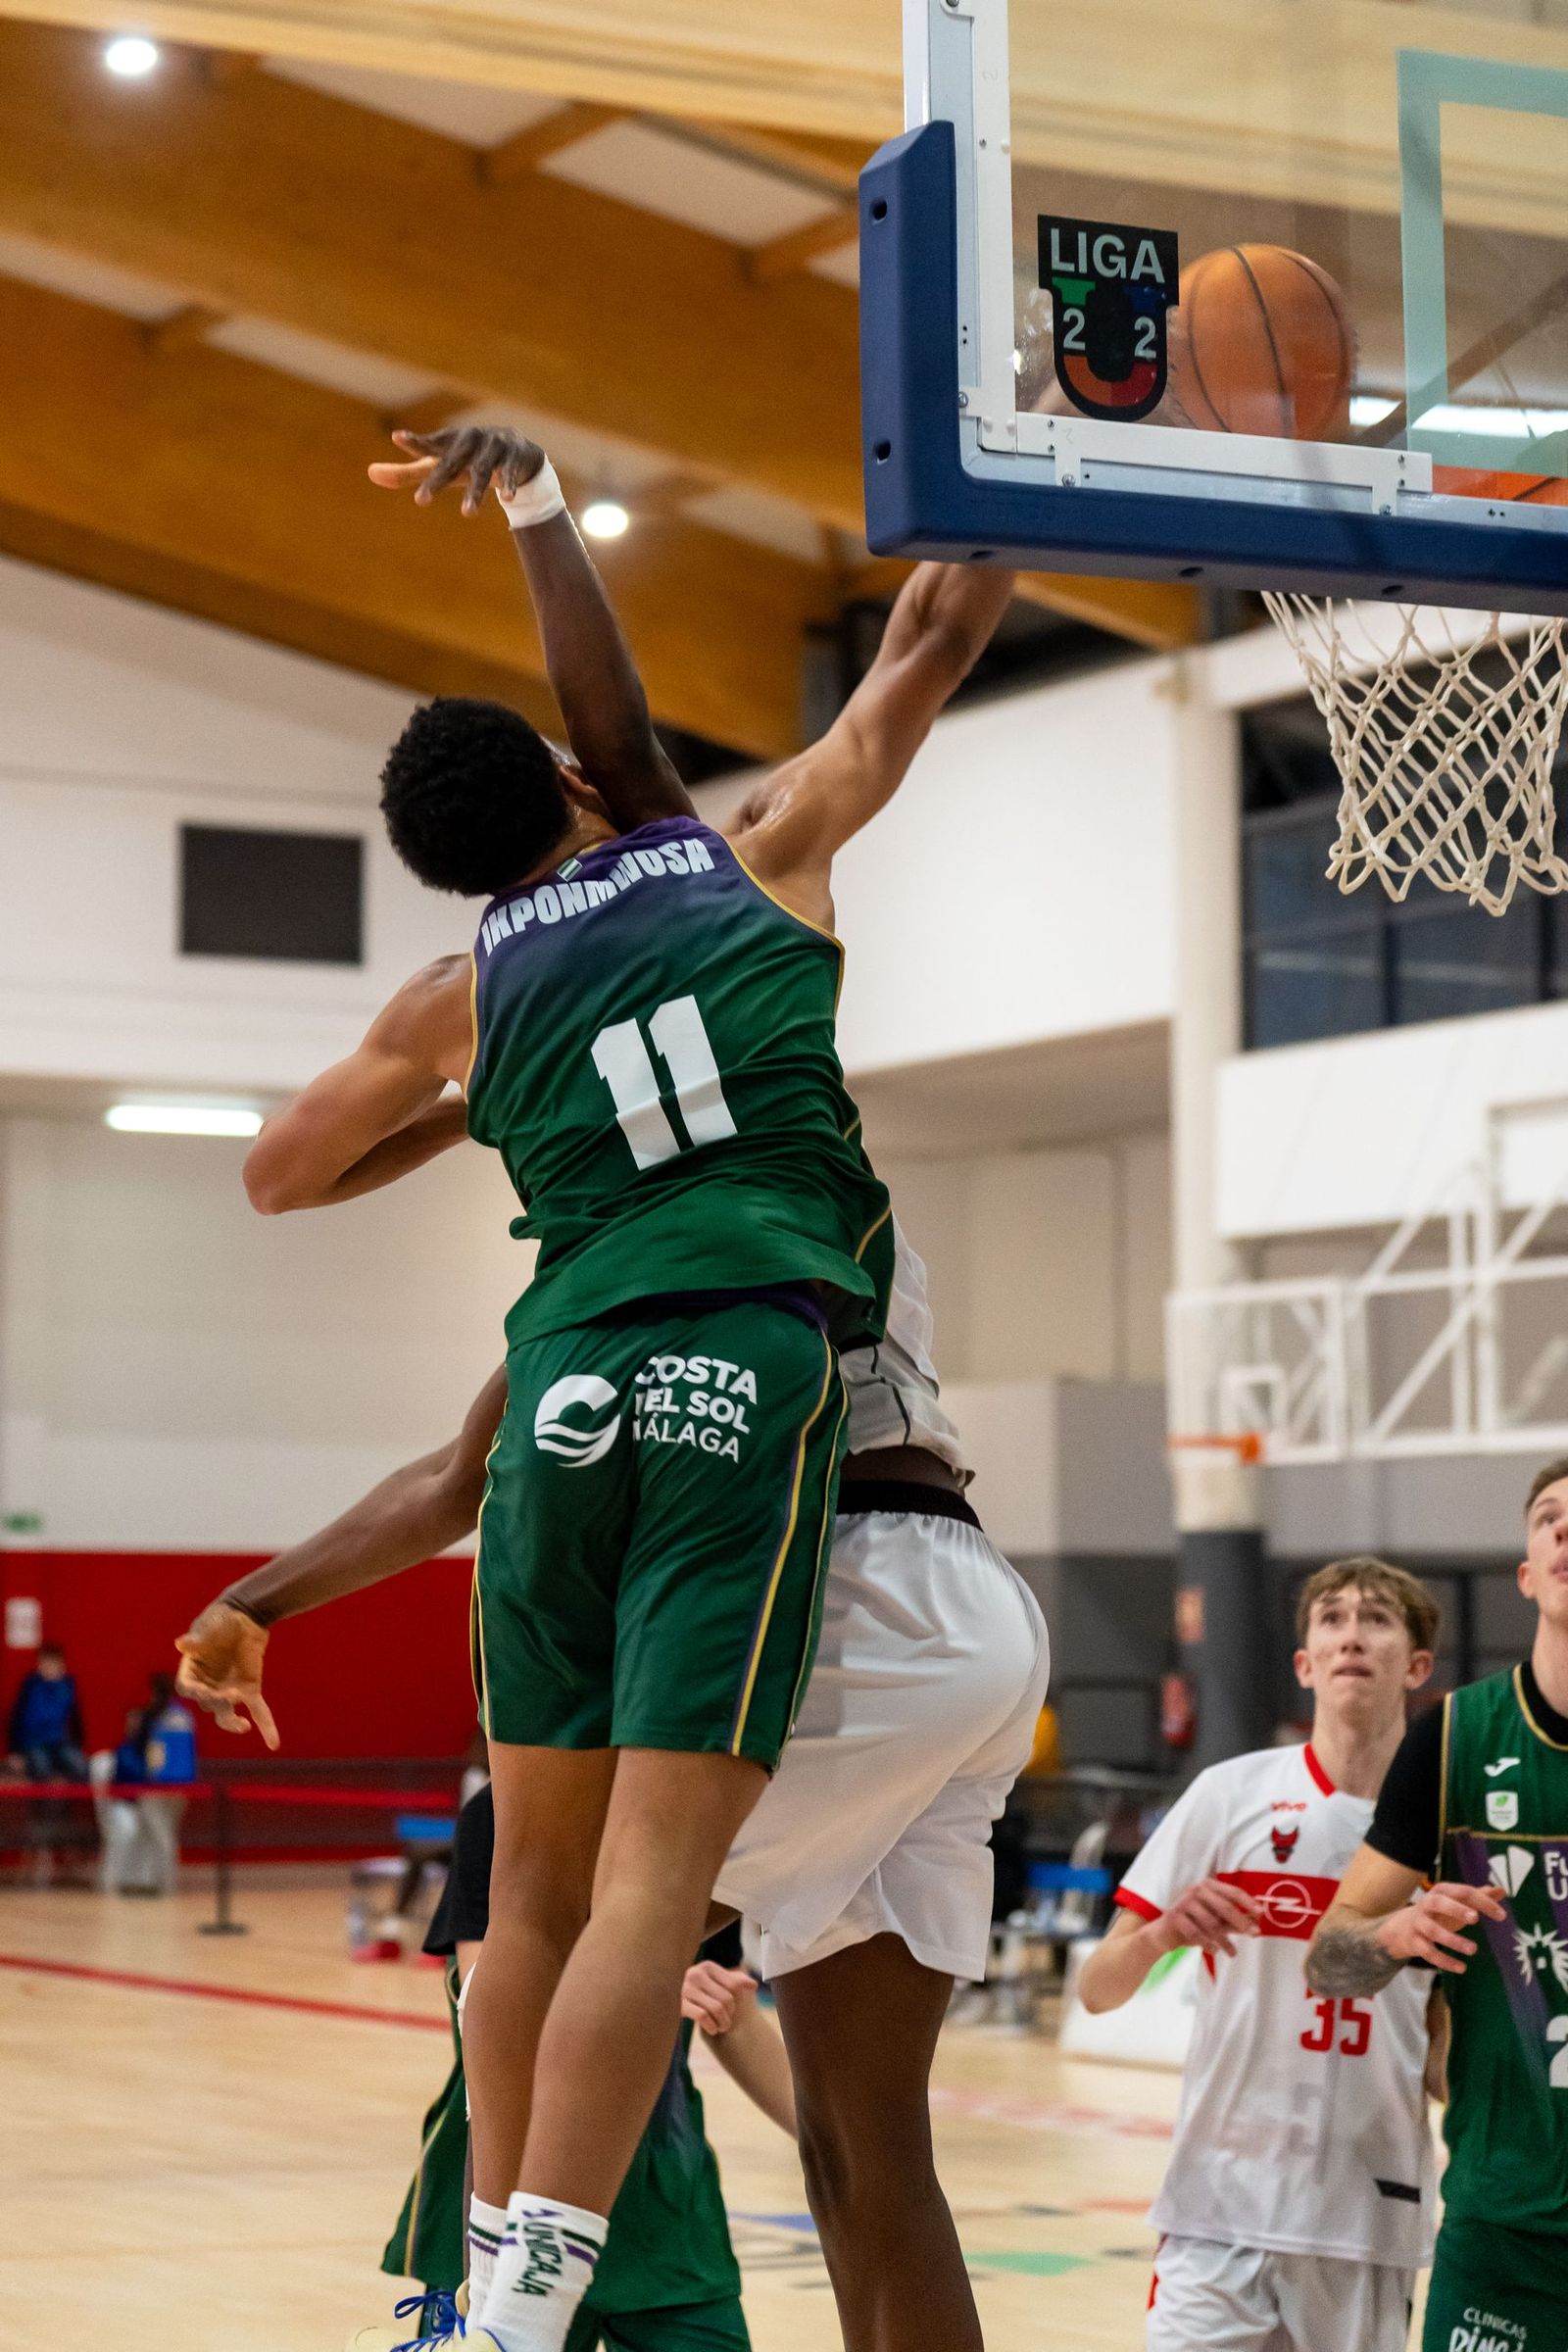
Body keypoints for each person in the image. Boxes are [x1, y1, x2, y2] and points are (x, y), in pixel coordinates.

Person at [228, 421, 1018, 2352]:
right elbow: (917, 644)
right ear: (582, 786)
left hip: (650, 1418)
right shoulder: (756, 872)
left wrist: (475, 1106)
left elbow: (284, 1181)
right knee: (859, 2145)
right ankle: (537, 2275)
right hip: (924, 1566)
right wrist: (1015, 461)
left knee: (563, 1891)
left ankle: (511, 2280)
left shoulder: (472, 1007)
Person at [1077, 1557, 1446, 2352]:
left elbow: (1447, 2061)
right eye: (1333, 1620)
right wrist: (1161, 1933)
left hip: (1368, 2214)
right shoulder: (1227, 1794)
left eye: (1377, 1619)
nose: (1353, 1635)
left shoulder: (1451, 1829)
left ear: (1417, 1665)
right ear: (1305, 1664)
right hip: (1217, 2204)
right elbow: (1097, 1989)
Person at [366, 1782, 795, 2352]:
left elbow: (729, 2009)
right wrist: (636, 1981)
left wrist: (837, 2143)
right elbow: (486, 1996)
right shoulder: (503, 1811)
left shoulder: (695, 1807)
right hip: (507, 2184)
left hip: (661, 2202)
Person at [1310, 1463, 1568, 2352]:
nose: (1566, 1529)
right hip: (1503, 2225)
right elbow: (1328, 1955)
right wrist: (1390, 1931)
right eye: (1548, 1518)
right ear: (1528, 1570)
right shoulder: (1456, 1737)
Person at [6, 1642, 87, 1781]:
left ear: (62, 1665)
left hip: (59, 1743)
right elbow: (15, 1719)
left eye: (53, 1663)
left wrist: (78, 1745)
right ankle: (43, 1802)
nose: (49, 1668)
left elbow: (76, 1720)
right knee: (42, 1768)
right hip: (33, 1744)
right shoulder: (30, 1687)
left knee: (81, 1766)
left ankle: (69, 1801)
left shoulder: (68, 1687)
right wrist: (14, 1751)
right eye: (45, 1663)